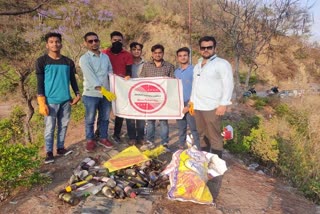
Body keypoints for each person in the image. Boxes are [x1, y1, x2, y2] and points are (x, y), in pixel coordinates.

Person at [189, 36, 234, 202]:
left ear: (215, 48)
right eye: (203, 47)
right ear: (199, 48)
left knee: (214, 136)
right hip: (198, 106)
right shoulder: (198, 65)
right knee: (201, 134)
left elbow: (228, 84)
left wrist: (224, 104)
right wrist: (192, 101)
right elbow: (195, 85)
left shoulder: (222, 64)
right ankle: (204, 161)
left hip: (213, 106)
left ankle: (217, 165)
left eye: (209, 47)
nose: (206, 50)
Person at [36, 32, 81, 164]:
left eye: (57, 41)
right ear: (47, 45)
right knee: (50, 127)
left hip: (66, 100)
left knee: (64, 125)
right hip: (50, 101)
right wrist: (41, 102)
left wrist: (77, 94)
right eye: (51, 42)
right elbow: (40, 82)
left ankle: (60, 148)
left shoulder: (68, 62)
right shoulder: (41, 61)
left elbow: (72, 79)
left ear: (61, 43)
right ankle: (49, 152)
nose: (54, 44)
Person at [79, 32, 116, 152]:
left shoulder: (105, 57)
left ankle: (103, 137)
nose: (94, 43)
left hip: (106, 94)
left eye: (96, 40)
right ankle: (90, 140)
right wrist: (103, 90)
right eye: (90, 41)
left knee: (105, 118)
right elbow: (91, 77)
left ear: (99, 41)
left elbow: (110, 72)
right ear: (85, 43)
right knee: (90, 118)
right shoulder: (84, 59)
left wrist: (117, 84)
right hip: (91, 94)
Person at [140, 44, 175, 149]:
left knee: (164, 122)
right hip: (150, 99)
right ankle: (150, 141)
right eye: (155, 53)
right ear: (152, 54)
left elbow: (174, 82)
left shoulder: (169, 66)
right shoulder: (146, 66)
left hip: (164, 99)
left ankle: (164, 143)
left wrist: (168, 79)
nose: (158, 55)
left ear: (163, 53)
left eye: (160, 53)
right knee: (150, 121)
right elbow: (141, 80)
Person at [102, 31, 133, 144]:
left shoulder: (127, 55)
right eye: (115, 40)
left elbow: (129, 71)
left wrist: (127, 76)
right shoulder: (104, 54)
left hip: (121, 86)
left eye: (119, 40)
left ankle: (116, 134)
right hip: (107, 85)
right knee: (104, 110)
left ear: (122, 41)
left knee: (119, 111)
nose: (117, 42)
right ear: (111, 40)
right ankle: (100, 134)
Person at [174, 47, 200, 150]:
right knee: (181, 128)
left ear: (188, 56)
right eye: (180, 56)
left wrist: (189, 104)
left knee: (194, 128)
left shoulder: (194, 70)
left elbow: (197, 88)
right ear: (177, 58)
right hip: (179, 103)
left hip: (191, 103)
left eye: (185, 55)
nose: (183, 57)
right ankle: (181, 147)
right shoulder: (176, 72)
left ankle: (198, 149)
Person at [125, 42, 146, 145]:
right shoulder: (127, 63)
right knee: (130, 117)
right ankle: (132, 137)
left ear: (141, 51)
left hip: (142, 94)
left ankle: (141, 137)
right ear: (131, 51)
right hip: (129, 93)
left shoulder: (146, 64)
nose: (136, 51)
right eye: (134, 49)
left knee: (141, 116)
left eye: (138, 50)